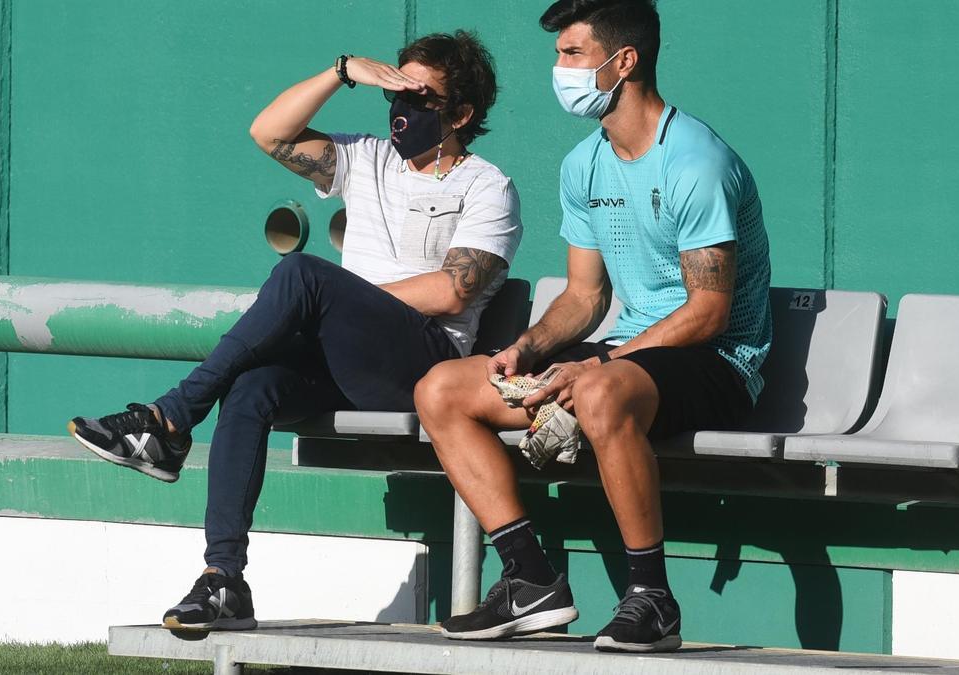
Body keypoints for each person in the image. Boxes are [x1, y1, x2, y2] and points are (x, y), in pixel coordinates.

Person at [67, 31, 522, 631]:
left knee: (304, 274)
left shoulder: (487, 185)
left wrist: (334, 301)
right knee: (252, 385)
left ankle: (170, 420)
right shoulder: (366, 158)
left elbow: (453, 289)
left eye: (421, 97)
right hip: (345, 360)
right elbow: (269, 134)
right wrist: (342, 71)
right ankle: (222, 578)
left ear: (460, 113)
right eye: (395, 91)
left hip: (425, 366)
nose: (401, 108)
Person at [415, 0, 771, 653]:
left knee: (600, 391)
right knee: (442, 388)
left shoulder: (697, 161)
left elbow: (708, 311)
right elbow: (584, 296)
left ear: (624, 61)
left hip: (718, 361)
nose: (560, 69)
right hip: (629, 351)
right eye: (560, 56)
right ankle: (530, 579)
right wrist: (527, 348)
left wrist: (599, 365)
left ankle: (652, 598)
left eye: (572, 54)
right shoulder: (584, 164)